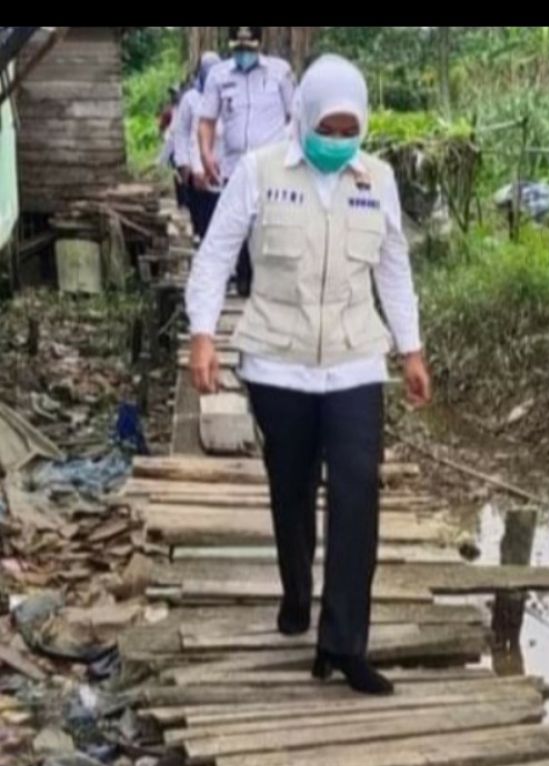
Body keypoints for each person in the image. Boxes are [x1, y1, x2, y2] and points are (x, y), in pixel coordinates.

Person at [185, 54, 432, 696]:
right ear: (305, 118)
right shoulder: (261, 172)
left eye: (350, 128)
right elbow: (215, 254)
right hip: (278, 363)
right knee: (291, 488)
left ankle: (344, 643)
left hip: (354, 361)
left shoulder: (376, 179)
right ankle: (297, 591)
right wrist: (203, 335)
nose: (339, 139)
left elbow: (393, 268)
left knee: (357, 493)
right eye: (330, 126)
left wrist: (410, 350)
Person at [197, 26, 295, 296]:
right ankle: (244, 280)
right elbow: (206, 120)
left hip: (273, 163)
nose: (243, 54)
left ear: (259, 44)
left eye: (248, 48)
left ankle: (268, 281)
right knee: (238, 223)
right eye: (238, 48)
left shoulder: (280, 73)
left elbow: (295, 115)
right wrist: (206, 154)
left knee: (270, 223)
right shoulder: (219, 76)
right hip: (234, 164)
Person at [171, 52, 220, 237]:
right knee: (201, 220)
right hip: (196, 170)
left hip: (221, 169)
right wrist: (185, 165)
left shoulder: (227, 95)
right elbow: (182, 134)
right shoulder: (191, 99)